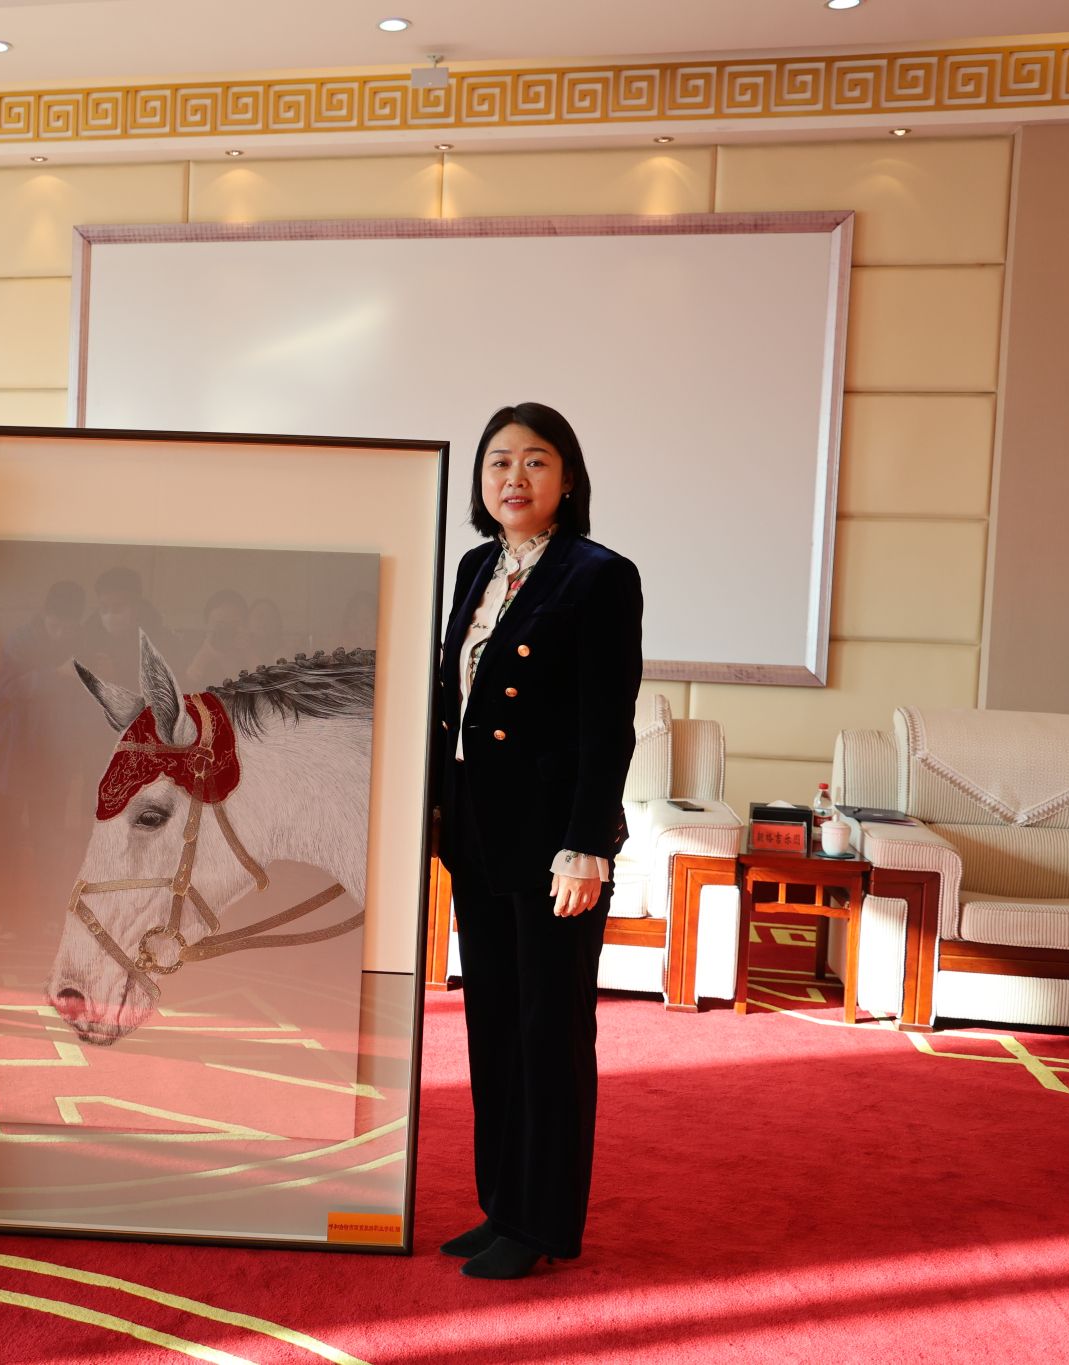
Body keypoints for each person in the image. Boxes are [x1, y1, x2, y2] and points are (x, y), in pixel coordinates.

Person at [431, 401, 643, 1280]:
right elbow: (452, 704)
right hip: (477, 835)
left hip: (554, 844)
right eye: (498, 462)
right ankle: (500, 1205)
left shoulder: (600, 575)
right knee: (493, 1025)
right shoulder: (475, 566)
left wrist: (587, 843)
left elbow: (607, 724)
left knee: (549, 1030)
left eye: (535, 461)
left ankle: (542, 1219)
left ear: (568, 478)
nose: (513, 477)